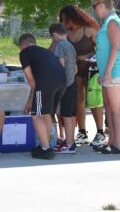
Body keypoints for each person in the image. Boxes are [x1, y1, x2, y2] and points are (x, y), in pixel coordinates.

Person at [59, 5, 105, 147]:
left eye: (65, 19)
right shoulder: (65, 32)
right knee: (79, 100)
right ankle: (82, 131)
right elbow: (55, 48)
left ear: (73, 17)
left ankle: (100, 132)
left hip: (92, 69)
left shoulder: (90, 29)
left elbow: (102, 49)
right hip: (74, 71)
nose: (63, 22)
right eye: (61, 20)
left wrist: (86, 56)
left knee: (94, 100)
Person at [92, 0, 120, 154]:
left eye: (94, 7)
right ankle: (111, 141)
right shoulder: (108, 22)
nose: (94, 11)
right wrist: (103, 72)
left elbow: (115, 47)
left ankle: (116, 144)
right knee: (109, 107)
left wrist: (106, 70)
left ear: (101, 5)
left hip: (114, 70)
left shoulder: (113, 21)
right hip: (107, 71)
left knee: (114, 108)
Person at [19, 33, 66, 159]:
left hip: (46, 82)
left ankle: (46, 149)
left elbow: (30, 78)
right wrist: (32, 99)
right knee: (46, 113)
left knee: (36, 115)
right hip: (62, 81)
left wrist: (32, 98)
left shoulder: (24, 53)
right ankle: (46, 145)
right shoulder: (46, 51)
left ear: (22, 45)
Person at [48, 23, 78, 154]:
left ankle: (70, 144)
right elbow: (75, 67)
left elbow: (61, 64)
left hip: (65, 83)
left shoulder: (60, 46)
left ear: (54, 34)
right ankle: (70, 141)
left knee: (65, 115)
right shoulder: (71, 46)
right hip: (72, 82)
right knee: (70, 114)